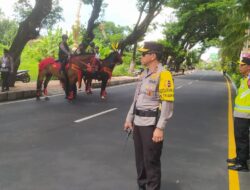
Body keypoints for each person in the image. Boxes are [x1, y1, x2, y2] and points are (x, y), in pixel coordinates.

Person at [123, 41, 174, 190]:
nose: (141, 56)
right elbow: (136, 99)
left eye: (144, 53)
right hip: (138, 123)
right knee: (140, 161)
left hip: (151, 125)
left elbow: (167, 103)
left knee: (151, 161)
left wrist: (160, 127)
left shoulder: (164, 75)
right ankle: (142, 187)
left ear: (153, 56)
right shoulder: (144, 74)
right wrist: (129, 118)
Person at [227, 57, 250, 172]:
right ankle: (240, 158)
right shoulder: (244, 79)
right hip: (241, 113)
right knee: (240, 137)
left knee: (241, 138)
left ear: (248, 67)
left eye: (242, 65)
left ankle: (242, 164)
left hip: (245, 114)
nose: (240, 67)